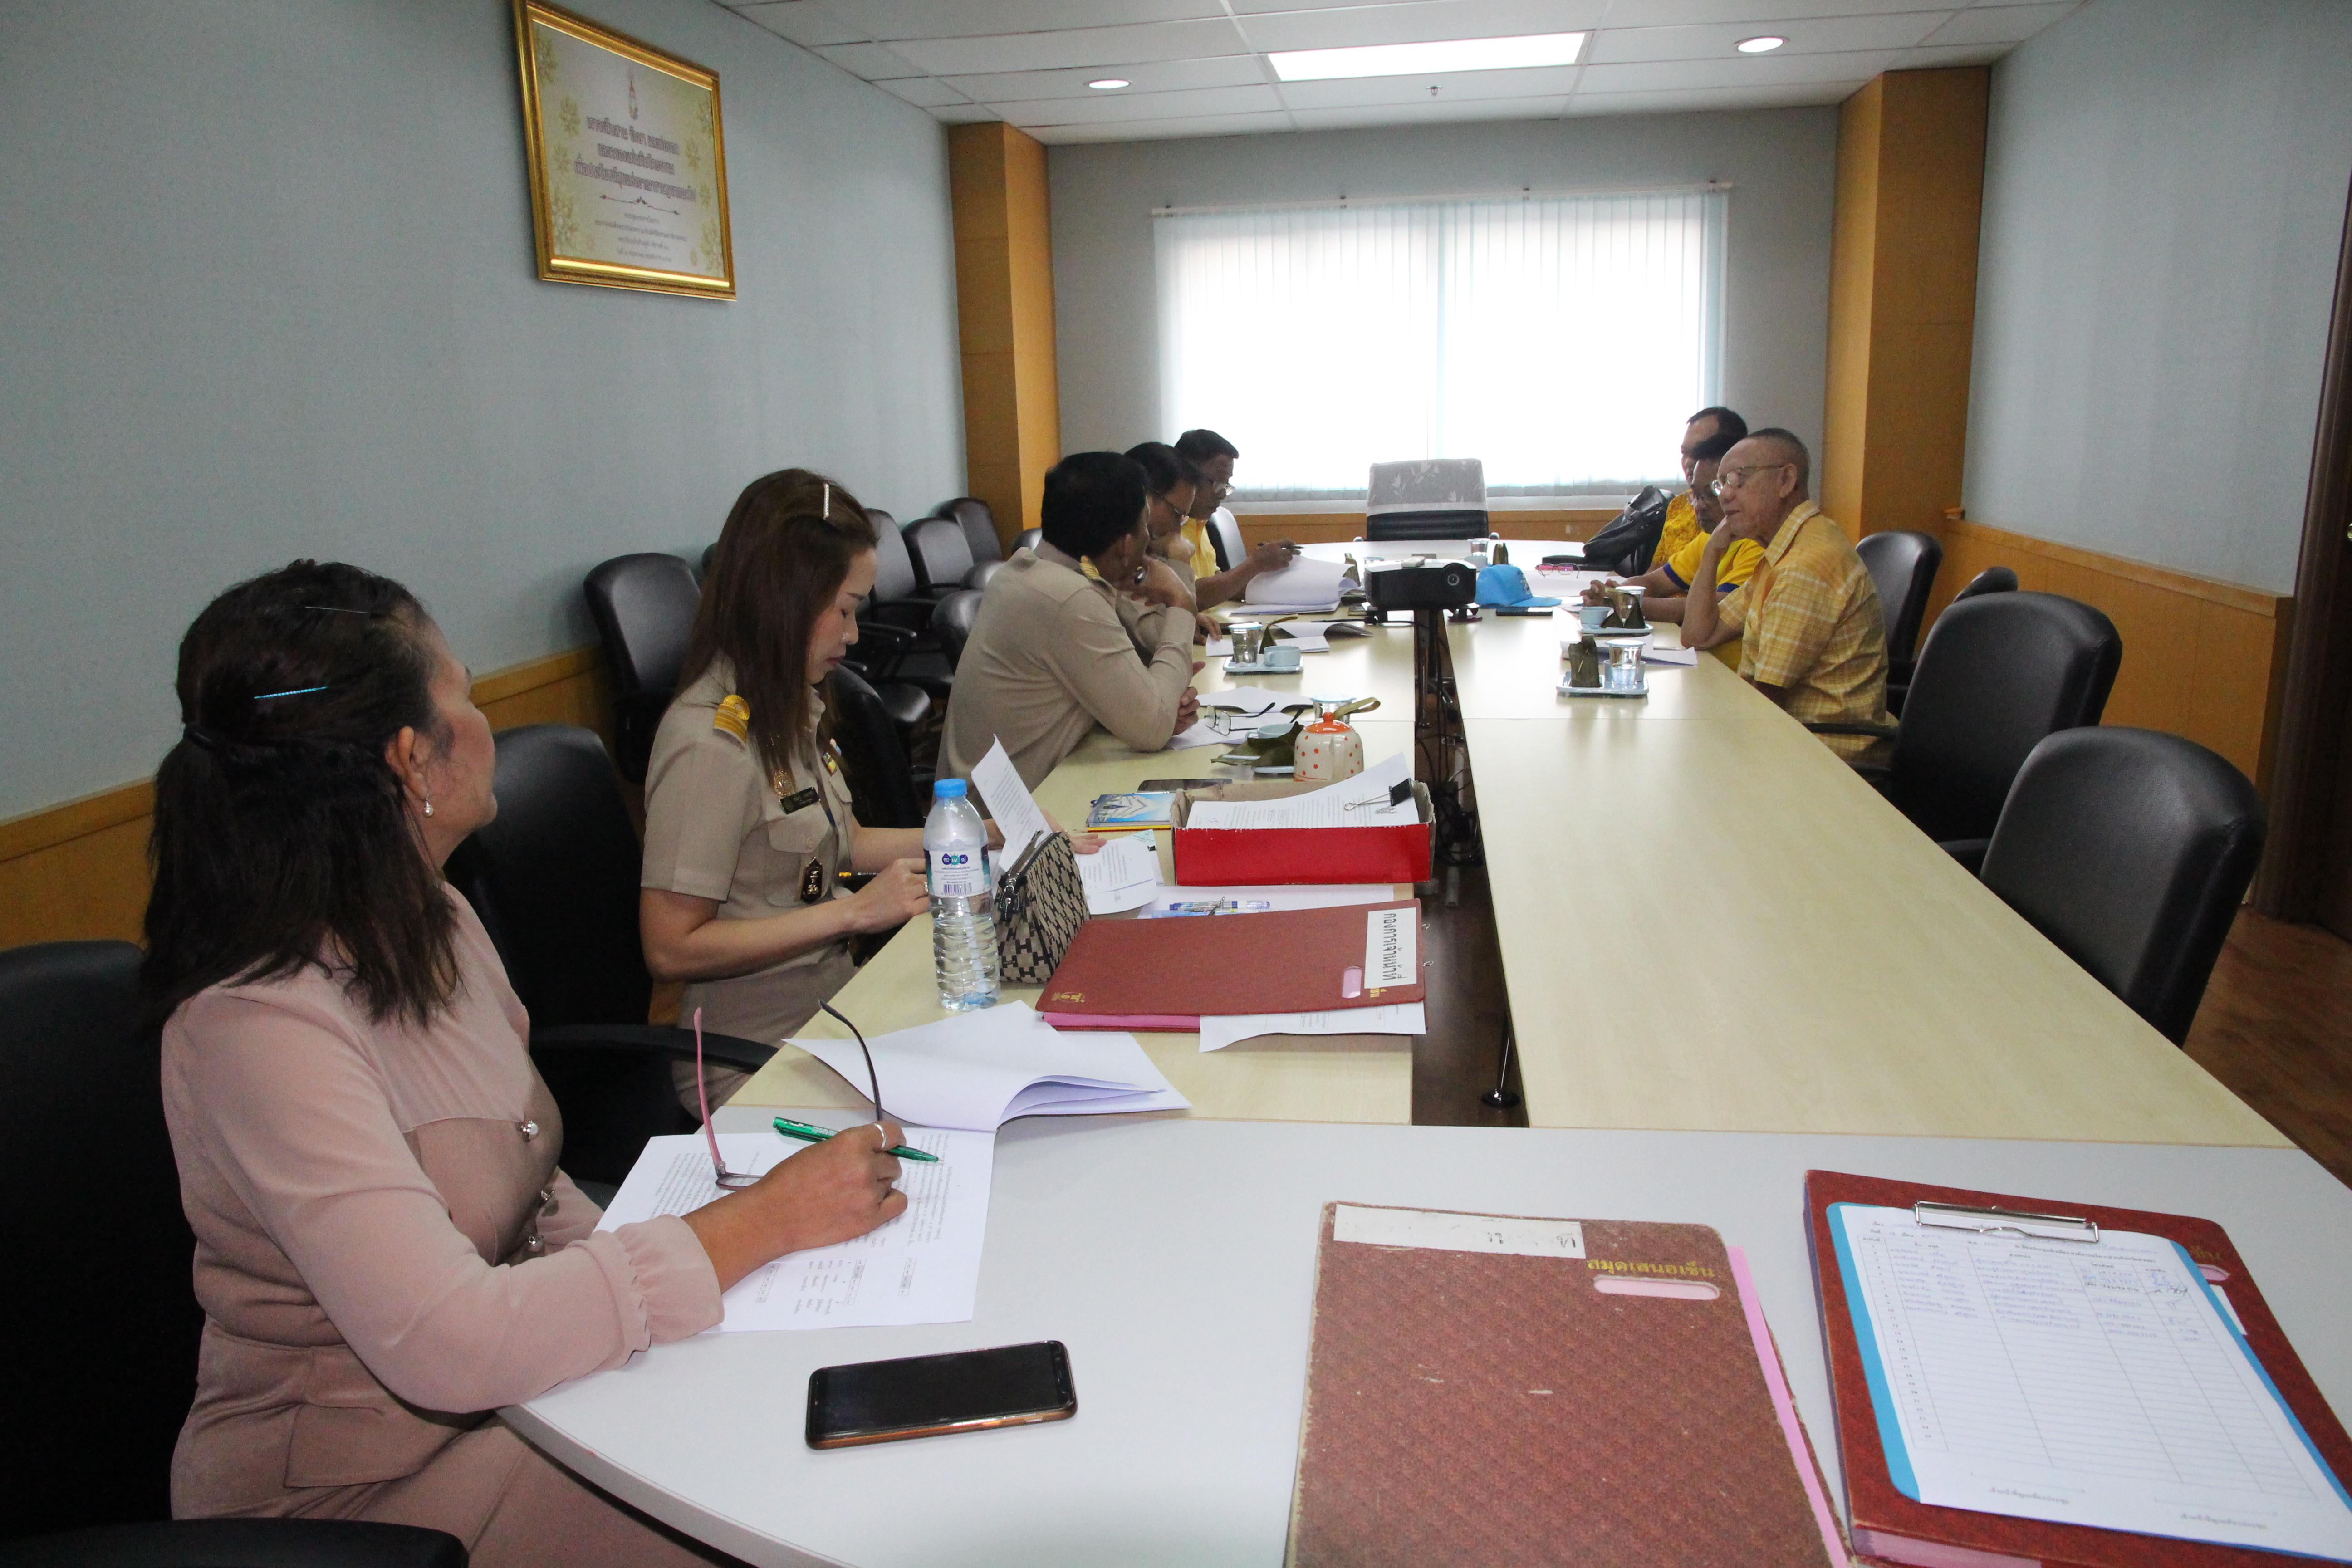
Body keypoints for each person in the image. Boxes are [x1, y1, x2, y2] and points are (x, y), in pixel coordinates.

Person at [147, 559, 909, 1565]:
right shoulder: (257, 1028)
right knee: (792, 1509)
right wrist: (753, 1226)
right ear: (413, 761)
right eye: (466, 693)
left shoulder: (434, 917)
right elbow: (449, 1342)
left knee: (829, 1418)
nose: (485, 720)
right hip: (363, 1493)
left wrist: (697, 1276)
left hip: (524, 1392)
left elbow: (532, 1183)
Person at [638, 470, 942, 1112]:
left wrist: (975, 834)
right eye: (845, 610)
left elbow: (846, 841)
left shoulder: (785, 705)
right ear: (787, 601)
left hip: (831, 1012)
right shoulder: (709, 745)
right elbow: (669, 947)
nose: (853, 635)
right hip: (751, 1055)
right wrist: (853, 914)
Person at [942, 451, 1201, 790]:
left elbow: (1140, 708)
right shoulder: (1070, 599)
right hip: (1012, 812)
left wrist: (1158, 708)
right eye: (1145, 527)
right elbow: (1153, 728)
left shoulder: (1026, 571)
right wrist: (1181, 601)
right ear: (1125, 545)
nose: (1149, 539)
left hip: (1013, 790)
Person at [1680, 429, 1891, 761]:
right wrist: (1712, 552)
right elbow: (1698, 635)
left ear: (1786, 481)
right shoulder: (1784, 551)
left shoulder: (1805, 566)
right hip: (1786, 738)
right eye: (1722, 485)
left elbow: (1764, 702)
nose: (1725, 496)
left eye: (1738, 480)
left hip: (1826, 759)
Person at [1580, 447, 1761, 626]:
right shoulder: (1710, 538)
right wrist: (1617, 592)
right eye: (1695, 495)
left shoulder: (1756, 545)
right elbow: (1656, 582)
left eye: (1710, 495)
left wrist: (1620, 602)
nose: (1699, 506)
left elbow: (1711, 609)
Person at [1172, 427, 1298, 610]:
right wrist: (1256, 564)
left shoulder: (1199, 523)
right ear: (1186, 476)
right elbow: (1193, 595)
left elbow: (1218, 582)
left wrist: (1289, 588)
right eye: (1217, 483)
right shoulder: (1168, 530)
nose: (1223, 494)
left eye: (1226, 485)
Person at [1647, 406, 1749, 572]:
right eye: (1684, 453)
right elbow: (1654, 573)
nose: (1688, 462)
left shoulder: (1741, 522)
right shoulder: (1678, 505)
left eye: (1700, 452)